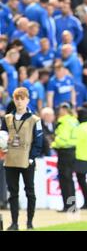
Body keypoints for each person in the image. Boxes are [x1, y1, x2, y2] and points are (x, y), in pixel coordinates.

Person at [1, 87, 43, 230]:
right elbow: (3, 138)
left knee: (30, 191)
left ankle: (30, 223)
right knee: (13, 193)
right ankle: (14, 223)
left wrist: (31, 158)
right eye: (17, 98)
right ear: (14, 100)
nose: (19, 102)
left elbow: (39, 141)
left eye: (22, 98)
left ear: (27, 100)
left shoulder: (35, 119)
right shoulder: (6, 119)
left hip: (27, 161)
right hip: (11, 160)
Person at [51, 102, 79, 212]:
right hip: (73, 151)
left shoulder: (63, 122)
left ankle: (68, 206)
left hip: (64, 152)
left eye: (61, 109)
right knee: (70, 180)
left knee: (64, 180)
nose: (59, 111)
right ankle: (72, 205)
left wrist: (53, 144)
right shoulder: (74, 121)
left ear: (64, 110)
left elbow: (62, 139)